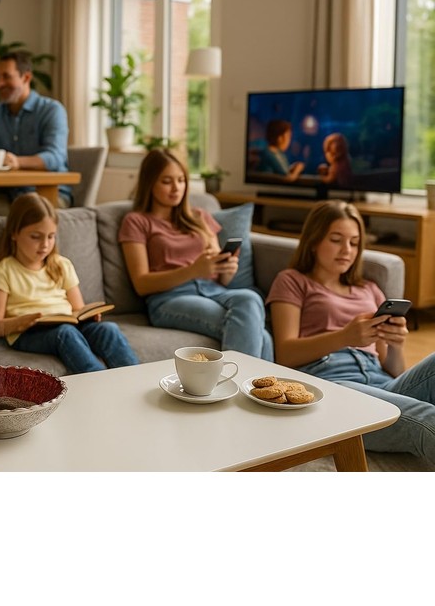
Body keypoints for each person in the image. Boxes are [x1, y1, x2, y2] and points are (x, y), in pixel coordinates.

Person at [267, 199, 435, 466]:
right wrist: (345, 337)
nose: (347, 250)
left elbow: (393, 369)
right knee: (427, 418)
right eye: (336, 240)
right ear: (314, 240)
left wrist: (396, 344)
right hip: (332, 386)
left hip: (383, 384)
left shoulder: (369, 289)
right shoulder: (292, 281)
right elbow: (285, 354)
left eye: (354, 243)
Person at [118, 149, 274, 360]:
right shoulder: (136, 221)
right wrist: (193, 270)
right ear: (150, 183)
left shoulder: (199, 217)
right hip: (170, 298)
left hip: (214, 290)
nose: (176, 188)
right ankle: (243, 380)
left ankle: (243, 380)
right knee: (262, 337)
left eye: (181, 180)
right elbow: (141, 284)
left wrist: (227, 268)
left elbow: (221, 277)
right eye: (166, 181)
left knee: (250, 297)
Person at [0, 192, 139, 373]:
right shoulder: (4, 271)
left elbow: (77, 309)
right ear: (14, 233)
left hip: (69, 325)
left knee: (108, 329)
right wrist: (20, 322)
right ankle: (99, 380)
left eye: (51, 236)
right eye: (36, 236)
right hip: (28, 333)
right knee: (65, 333)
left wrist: (88, 315)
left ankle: (136, 378)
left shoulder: (61, 265)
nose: (45, 244)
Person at [0, 50, 70, 215]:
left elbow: (55, 157)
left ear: (26, 78)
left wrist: (17, 162)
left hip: (45, 194)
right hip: (4, 196)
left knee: (29, 217)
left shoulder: (51, 110)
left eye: (6, 77)